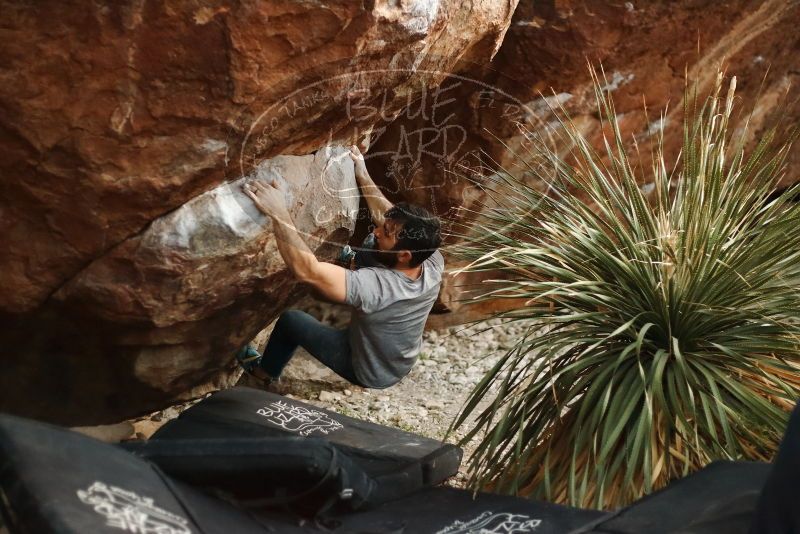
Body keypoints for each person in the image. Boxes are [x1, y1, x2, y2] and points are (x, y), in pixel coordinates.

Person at [238, 146, 443, 389]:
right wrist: (362, 173)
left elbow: (308, 271)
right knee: (370, 244)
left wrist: (278, 211)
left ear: (405, 255)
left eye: (386, 233)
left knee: (291, 321)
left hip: (370, 368)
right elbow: (386, 216)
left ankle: (263, 374)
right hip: (394, 352)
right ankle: (353, 260)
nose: (377, 229)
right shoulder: (430, 258)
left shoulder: (377, 287)